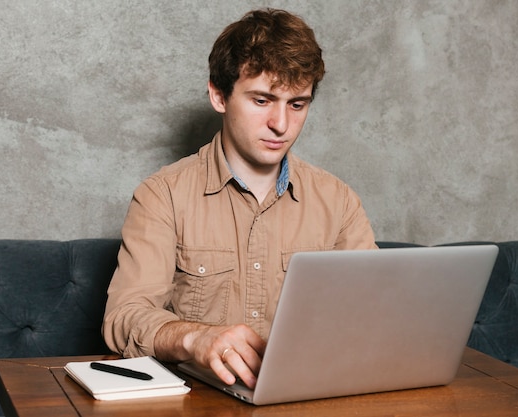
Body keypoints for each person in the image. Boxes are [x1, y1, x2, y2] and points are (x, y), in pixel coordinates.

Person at [102, 8, 377, 391]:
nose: (281, 124)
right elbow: (123, 318)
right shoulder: (162, 195)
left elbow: (373, 316)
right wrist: (194, 338)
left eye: (297, 104)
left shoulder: (339, 201)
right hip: (199, 402)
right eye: (262, 100)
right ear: (219, 95)